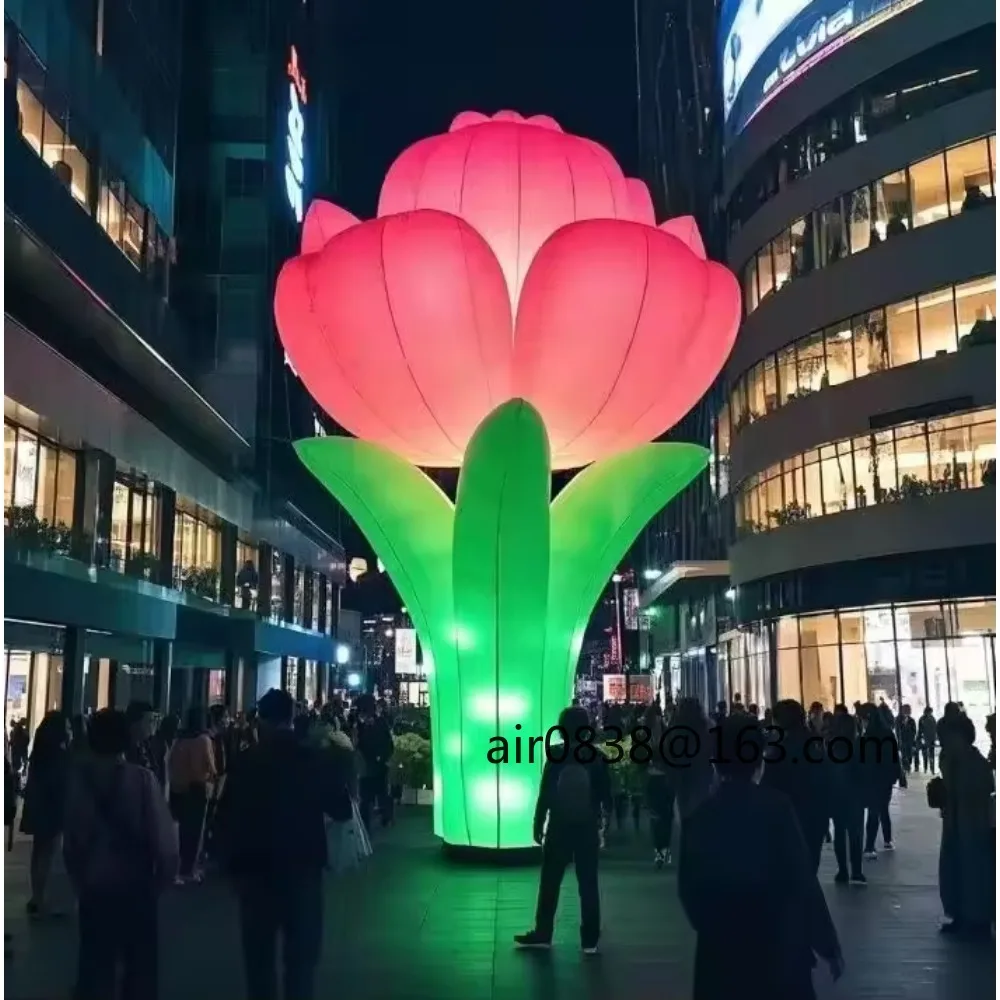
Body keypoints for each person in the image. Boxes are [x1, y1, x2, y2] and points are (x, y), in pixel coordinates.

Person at [679, 715, 843, 999]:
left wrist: (714, 926)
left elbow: (689, 889)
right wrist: (826, 944)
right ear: (758, 758)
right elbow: (801, 880)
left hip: (720, 959)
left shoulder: (700, 817)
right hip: (777, 951)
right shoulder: (776, 809)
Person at [216, 689, 351, 1000]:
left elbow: (226, 815)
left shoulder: (246, 761)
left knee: (258, 957)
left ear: (260, 719)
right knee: (301, 958)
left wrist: (229, 864)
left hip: (255, 870)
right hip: (302, 867)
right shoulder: (312, 758)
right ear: (292, 718)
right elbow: (341, 808)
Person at [62, 709, 178, 1000]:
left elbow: (72, 841)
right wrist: (160, 882)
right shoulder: (142, 780)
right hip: (136, 887)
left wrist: (80, 882)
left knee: (94, 967)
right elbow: (164, 842)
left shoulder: (78, 781)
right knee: (139, 970)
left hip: (94, 886)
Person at [515, 706, 612, 953]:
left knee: (550, 880)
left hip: (559, 825)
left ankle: (543, 932)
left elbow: (546, 793)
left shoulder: (556, 755)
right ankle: (590, 938)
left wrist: (538, 822)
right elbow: (605, 795)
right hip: (586, 827)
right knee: (588, 883)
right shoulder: (596, 757)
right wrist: (603, 824)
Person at [935, 713, 994, 937]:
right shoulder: (953, 761)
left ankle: (976, 919)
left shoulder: (974, 764)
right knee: (955, 870)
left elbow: (978, 793)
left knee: (974, 873)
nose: (944, 742)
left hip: (973, 826)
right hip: (956, 824)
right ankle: (960, 914)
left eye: (947, 737)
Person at [760, 700, 831, 873]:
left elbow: (768, 788)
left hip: (788, 819)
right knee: (810, 866)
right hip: (815, 817)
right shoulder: (816, 745)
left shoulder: (779, 752)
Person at [20, 710, 71, 917]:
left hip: (39, 807)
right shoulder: (59, 756)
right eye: (67, 728)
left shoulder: (40, 753)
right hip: (52, 809)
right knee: (49, 854)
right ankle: (43, 900)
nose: (71, 732)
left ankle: (37, 896)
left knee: (39, 852)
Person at [167, 706, 217, 882]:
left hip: (178, 787)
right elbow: (209, 766)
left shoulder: (179, 740)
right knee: (195, 831)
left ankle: (178, 868)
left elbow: (171, 762)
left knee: (180, 831)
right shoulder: (203, 740)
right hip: (197, 788)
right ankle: (190, 869)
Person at [827, 711, 865, 884]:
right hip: (855, 796)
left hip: (836, 795)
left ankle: (842, 870)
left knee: (840, 833)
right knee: (855, 833)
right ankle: (857, 871)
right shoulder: (858, 746)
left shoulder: (831, 746)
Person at [859, 706, 900, 859]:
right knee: (883, 809)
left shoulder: (868, 736)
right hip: (886, 779)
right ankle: (887, 839)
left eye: (863, 720)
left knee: (874, 811)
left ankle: (870, 846)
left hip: (872, 779)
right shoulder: (888, 733)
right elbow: (895, 757)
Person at [640, 702, 674, 867]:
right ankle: (665, 851)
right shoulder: (667, 732)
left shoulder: (643, 733)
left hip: (651, 778)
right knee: (667, 816)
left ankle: (659, 852)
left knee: (655, 817)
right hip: (666, 779)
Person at [355, 694, 394, 830]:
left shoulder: (376, 723)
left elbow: (387, 744)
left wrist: (381, 757)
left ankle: (383, 817)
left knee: (371, 796)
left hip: (372, 766)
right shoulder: (361, 724)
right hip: (372, 765)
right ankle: (381, 818)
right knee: (371, 796)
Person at [125, 701, 157, 774]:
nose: (152, 726)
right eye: (150, 721)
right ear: (135, 723)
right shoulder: (125, 747)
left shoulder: (146, 745)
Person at [896, 704, 917, 773]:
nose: (908, 711)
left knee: (909, 754)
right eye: (906, 709)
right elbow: (897, 730)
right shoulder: (898, 719)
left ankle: (908, 766)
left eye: (908, 710)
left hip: (910, 740)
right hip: (902, 740)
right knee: (904, 755)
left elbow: (914, 730)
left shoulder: (911, 720)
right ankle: (905, 768)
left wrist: (912, 736)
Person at [918, 707, 938, 774]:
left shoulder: (927, 718)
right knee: (927, 754)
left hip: (928, 738)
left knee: (928, 754)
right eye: (930, 712)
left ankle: (929, 769)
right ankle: (927, 768)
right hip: (927, 738)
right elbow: (920, 729)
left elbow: (935, 728)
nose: (930, 713)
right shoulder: (930, 718)